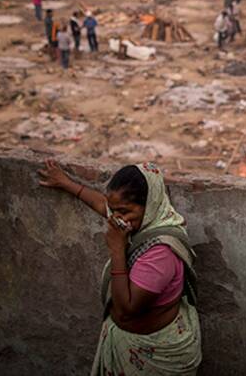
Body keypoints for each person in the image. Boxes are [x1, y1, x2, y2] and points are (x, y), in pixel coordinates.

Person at [37, 160, 202, 375]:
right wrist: (66, 183)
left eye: (123, 211)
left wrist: (117, 249)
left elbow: (128, 309)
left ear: (150, 205)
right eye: (114, 211)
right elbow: (100, 204)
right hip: (128, 346)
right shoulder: (134, 220)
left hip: (156, 354)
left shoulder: (161, 252)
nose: (116, 218)